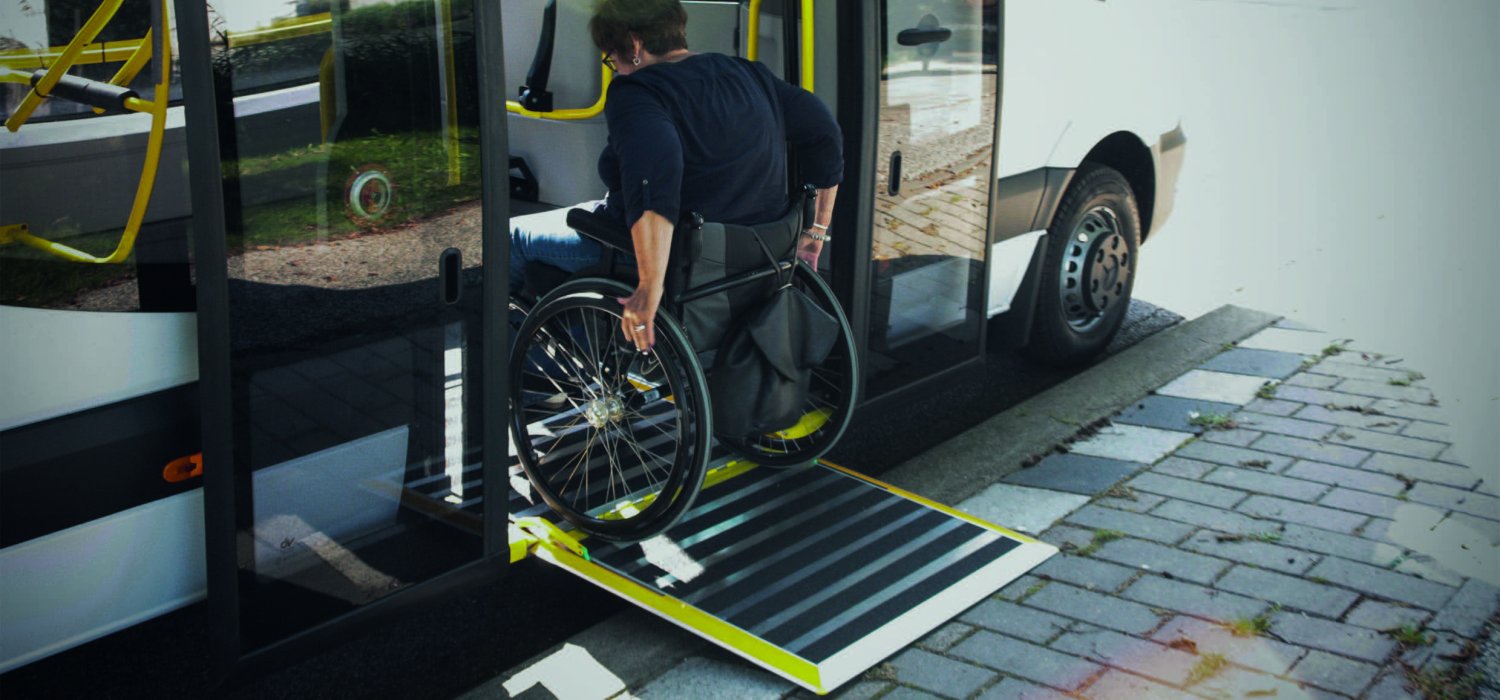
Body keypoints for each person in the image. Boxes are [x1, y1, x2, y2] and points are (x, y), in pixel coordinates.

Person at [509, 0, 843, 354]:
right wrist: (815, 232)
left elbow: (654, 179)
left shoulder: (637, 92)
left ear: (634, 45)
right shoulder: (749, 74)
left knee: (512, 237)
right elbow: (824, 132)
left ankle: (533, 374)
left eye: (613, 59)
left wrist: (649, 288)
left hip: (677, 253)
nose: (617, 69)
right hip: (756, 250)